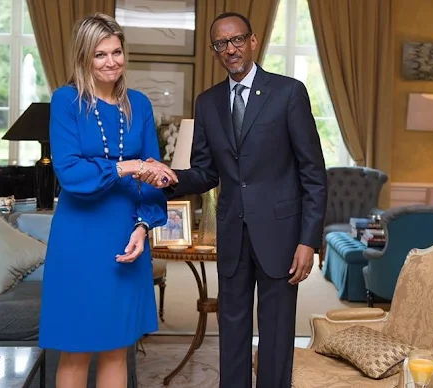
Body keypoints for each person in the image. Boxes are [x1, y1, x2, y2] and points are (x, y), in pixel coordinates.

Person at [139, 12, 327, 388]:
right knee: (232, 333)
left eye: (237, 40)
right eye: (221, 44)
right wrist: (169, 178)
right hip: (232, 235)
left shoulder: (288, 92)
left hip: (281, 236)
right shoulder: (207, 103)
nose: (231, 49)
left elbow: (314, 174)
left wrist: (308, 240)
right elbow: (206, 172)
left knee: (276, 336)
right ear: (215, 51)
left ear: (253, 41)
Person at [38, 13, 177, 388]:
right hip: (79, 236)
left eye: (117, 52)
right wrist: (127, 166)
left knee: (118, 346)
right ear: (84, 57)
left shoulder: (139, 104)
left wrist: (144, 227)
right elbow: (69, 173)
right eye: (100, 54)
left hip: (125, 235)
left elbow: (149, 176)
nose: (111, 61)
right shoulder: (66, 101)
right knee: (77, 346)